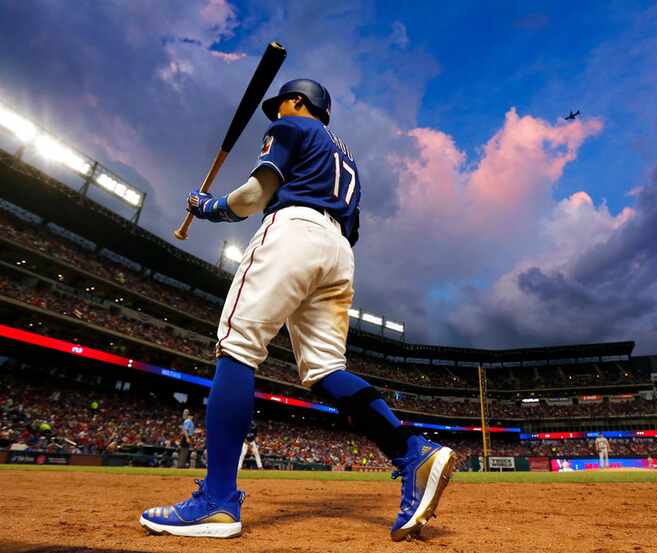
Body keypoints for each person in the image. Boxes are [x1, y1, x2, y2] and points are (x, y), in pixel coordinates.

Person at [139, 79, 456, 540]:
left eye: (281, 104)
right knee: (327, 370)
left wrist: (208, 207)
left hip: (293, 230)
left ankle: (217, 500)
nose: (276, 113)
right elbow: (353, 228)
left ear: (299, 102)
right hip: (338, 253)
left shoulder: (293, 127)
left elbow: (253, 197)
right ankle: (412, 452)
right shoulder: (346, 159)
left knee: (237, 347)